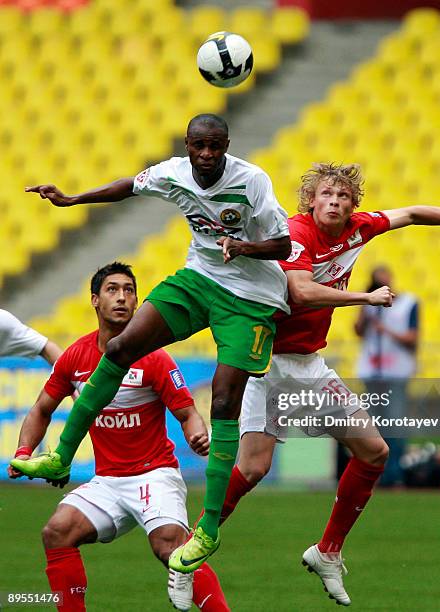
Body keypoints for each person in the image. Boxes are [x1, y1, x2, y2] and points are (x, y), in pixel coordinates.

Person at [216, 162, 440, 606]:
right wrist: (365, 298)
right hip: (267, 364)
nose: (334, 202)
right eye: (326, 195)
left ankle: (327, 551)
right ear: (311, 202)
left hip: (311, 367)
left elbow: (412, 213)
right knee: (253, 469)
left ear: (354, 205)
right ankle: (197, 536)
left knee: (375, 451)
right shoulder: (296, 233)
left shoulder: (360, 228)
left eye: (343, 197)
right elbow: (301, 292)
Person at [16, 113, 292, 572]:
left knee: (224, 399)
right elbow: (129, 185)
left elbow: (283, 245)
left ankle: (207, 529)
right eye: (198, 146)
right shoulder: (173, 172)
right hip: (200, 279)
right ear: (187, 144)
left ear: (227, 145)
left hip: (252, 299)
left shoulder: (252, 181)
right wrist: (72, 200)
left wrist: (244, 248)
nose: (206, 155)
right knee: (120, 349)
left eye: (215, 146)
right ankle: (60, 457)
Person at [9, 262, 229, 612]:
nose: (122, 297)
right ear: (95, 300)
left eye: (129, 290)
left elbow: (187, 412)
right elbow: (40, 410)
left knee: (171, 548)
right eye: (113, 290)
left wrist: (197, 434)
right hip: (108, 480)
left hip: (154, 474)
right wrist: (24, 451)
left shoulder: (153, 357)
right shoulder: (75, 357)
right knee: (57, 531)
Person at [355, 265, 419, 486]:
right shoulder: (369, 305)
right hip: (372, 371)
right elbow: (358, 331)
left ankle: (395, 475)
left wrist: (386, 330)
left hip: (396, 371)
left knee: (395, 423)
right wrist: (365, 303)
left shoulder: (408, 303)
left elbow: (413, 338)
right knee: (373, 426)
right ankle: (375, 474)